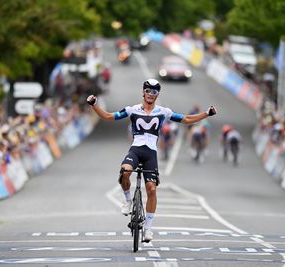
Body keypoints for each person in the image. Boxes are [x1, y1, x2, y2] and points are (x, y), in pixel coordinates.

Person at [86, 78, 217, 242]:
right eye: (148, 91)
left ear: (157, 95)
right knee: (125, 171)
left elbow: (186, 119)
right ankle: (127, 200)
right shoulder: (132, 110)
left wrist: (206, 113)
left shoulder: (163, 111)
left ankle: (148, 228)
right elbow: (107, 116)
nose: (150, 94)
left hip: (151, 154)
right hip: (135, 149)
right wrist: (93, 104)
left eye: (154, 92)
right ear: (143, 92)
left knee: (152, 190)